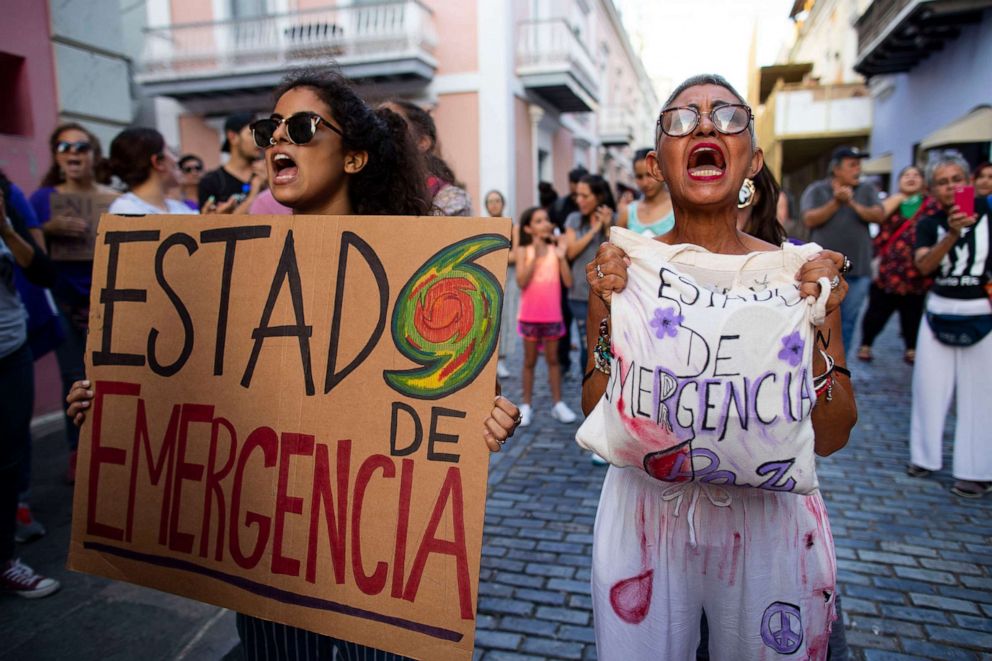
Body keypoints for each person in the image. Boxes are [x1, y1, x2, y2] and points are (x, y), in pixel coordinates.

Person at [69, 66, 520, 660]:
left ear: (354, 158)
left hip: (371, 556)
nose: (279, 138)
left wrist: (478, 419)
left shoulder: (413, 271)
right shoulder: (230, 267)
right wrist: (117, 404)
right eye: (269, 128)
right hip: (272, 547)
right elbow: (197, 380)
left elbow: (430, 403)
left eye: (303, 126)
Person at [581, 74, 855, 659]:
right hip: (644, 522)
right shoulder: (624, 266)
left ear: (752, 159)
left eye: (727, 117)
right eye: (681, 119)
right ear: (657, 163)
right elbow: (596, 413)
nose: (704, 125)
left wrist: (822, 323)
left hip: (769, 527)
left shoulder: (802, 271)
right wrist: (605, 307)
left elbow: (831, 437)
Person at [29, 123, 116, 482]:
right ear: (56, 155)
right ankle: (78, 455)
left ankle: (112, 449)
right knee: (74, 380)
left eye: (80, 146)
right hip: (65, 302)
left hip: (110, 300)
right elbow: (30, 255)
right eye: (63, 146)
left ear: (93, 153)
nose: (72, 152)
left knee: (110, 376)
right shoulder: (41, 200)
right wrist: (47, 230)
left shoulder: (113, 198)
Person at [907, 154, 992, 499]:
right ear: (932, 190)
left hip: (981, 309)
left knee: (981, 395)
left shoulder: (989, 215)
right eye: (943, 182)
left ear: (968, 181)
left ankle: (976, 469)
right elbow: (924, 266)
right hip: (940, 307)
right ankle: (923, 456)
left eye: (957, 179)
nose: (952, 187)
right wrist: (953, 233)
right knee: (928, 387)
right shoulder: (930, 223)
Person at [0, 177, 61, 598]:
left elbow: (41, 272)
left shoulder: (5, 201)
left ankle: (6, 559)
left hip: (9, 350)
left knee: (9, 458)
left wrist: (5, 228)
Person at [801, 146, 884, 351]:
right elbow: (809, 219)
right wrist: (836, 202)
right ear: (836, 170)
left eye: (859, 165)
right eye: (852, 165)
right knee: (820, 318)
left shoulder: (866, 190)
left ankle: (840, 369)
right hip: (823, 272)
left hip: (858, 270)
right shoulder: (818, 190)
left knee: (848, 322)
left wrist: (852, 203)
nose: (858, 170)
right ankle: (817, 363)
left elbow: (879, 216)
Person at [857, 166, 932, 364]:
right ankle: (866, 344)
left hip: (916, 270)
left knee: (913, 312)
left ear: (924, 182)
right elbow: (880, 216)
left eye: (916, 175)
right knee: (876, 310)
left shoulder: (930, 205)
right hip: (889, 269)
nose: (911, 178)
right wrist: (898, 198)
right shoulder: (891, 201)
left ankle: (911, 347)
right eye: (906, 175)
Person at [515, 206, 577, 427]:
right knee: (529, 362)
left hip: (552, 315)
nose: (544, 224)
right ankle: (526, 405)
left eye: (546, 220)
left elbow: (568, 282)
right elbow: (521, 281)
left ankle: (558, 404)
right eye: (538, 221)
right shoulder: (524, 249)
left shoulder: (556, 249)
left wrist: (561, 258)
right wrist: (536, 256)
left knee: (553, 361)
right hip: (530, 316)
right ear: (529, 228)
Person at [379, 99, 472, 216]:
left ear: (423, 142)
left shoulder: (450, 200)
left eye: (393, 123)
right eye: (376, 120)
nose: (379, 129)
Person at [564, 174, 615, 371]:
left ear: (599, 197)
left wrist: (608, 226)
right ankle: (586, 392)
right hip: (579, 293)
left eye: (585, 196)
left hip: (607, 295)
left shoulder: (615, 217)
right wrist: (594, 229)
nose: (579, 200)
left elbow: (617, 251)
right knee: (587, 348)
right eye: (578, 195)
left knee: (606, 346)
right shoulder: (574, 219)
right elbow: (571, 251)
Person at [107, 128, 202, 215]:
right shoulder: (126, 211)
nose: (176, 160)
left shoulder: (178, 208)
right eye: (170, 151)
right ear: (158, 162)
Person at [197, 111, 267, 214]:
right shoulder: (211, 182)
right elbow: (211, 227)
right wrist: (254, 194)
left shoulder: (267, 173)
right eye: (252, 134)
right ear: (233, 137)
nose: (259, 139)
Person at [486, 189, 516, 379]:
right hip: (489, 275)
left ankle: (502, 360)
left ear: (503, 203)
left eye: (497, 200)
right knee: (489, 317)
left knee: (506, 317)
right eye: (490, 201)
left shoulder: (512, 226)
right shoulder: (484, 226)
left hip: (509, 275)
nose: (494, 204)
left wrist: (496, 257)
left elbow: (516, 254)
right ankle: (491, 361)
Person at [619, 148, 675, 238]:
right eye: (639, 177)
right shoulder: (628, 212)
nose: (645, 183)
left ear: (661, 171)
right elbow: (615, 248)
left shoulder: (678, 208)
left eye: (650, 174)